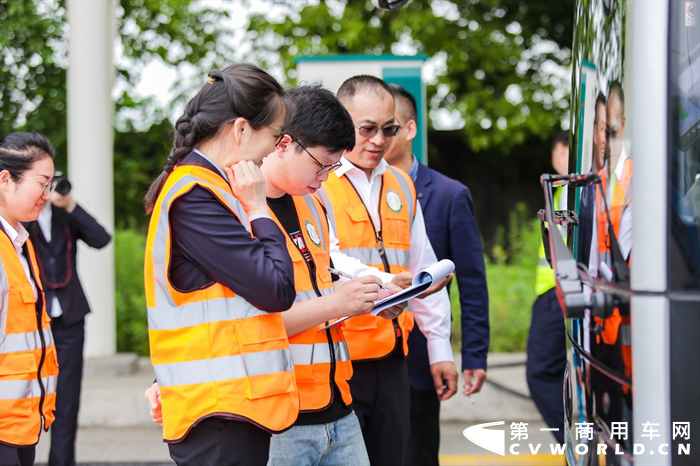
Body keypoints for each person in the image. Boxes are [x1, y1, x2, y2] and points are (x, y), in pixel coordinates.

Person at [145, 85, 407, 465]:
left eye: (335, 167)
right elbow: (252, 314)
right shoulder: (229, 206)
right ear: (283, 144)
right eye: (322, 165)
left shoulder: (313, 205)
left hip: (335, 402)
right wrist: (338, 302)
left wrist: (366, 297)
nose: (327, 176)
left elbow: (311, 286)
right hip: (278, 410)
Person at [142, 63, 299, 466]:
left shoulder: (210, 187)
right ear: (242, 129)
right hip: (220, 411)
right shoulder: (197, 194)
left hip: (227, 406)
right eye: (275, 135)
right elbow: (276, 288)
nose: (274, 148)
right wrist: (260, 207)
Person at [316, 75, 458, 465]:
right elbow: (325, 258)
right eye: (368, 129)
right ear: (342, 123)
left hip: (394, 357)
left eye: (388, 129)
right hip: (341, 358)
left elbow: (421, 266)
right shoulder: (318, 183)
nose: (379, 140)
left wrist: (439, 349)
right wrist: (384, 283)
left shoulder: (401, 184)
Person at [383, 84, 490, 466]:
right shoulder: (338, 189)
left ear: (409, 129)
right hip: (365, 361)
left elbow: (473, 284)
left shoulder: (448, 195)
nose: (378, 137)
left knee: (418, 454)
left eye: (388, 126)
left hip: (420, 358)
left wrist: (474, 355)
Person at [23, 179, 111, 466]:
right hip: (33, 319)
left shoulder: (65, 214)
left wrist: (69, 203)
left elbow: (101, 238)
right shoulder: (22, 216)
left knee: (67, 396)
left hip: (70, 317)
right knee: (28, 394)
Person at [0, 132, 60, 466]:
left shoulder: (19, 245)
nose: (47, 195)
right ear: (6, 180)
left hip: (21, 425)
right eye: (42, 183)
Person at [526, 130, 569, 444]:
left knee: (541, 373)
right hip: (556, 290)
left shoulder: (569, 189)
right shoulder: (563, 190)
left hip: (558, 291)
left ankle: (573, 444)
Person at [578, 92, 607, 264]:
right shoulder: (581, 188)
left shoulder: (632, 186)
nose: (606, 139)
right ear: (595, 132)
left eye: (612, 130)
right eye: (603, 129)